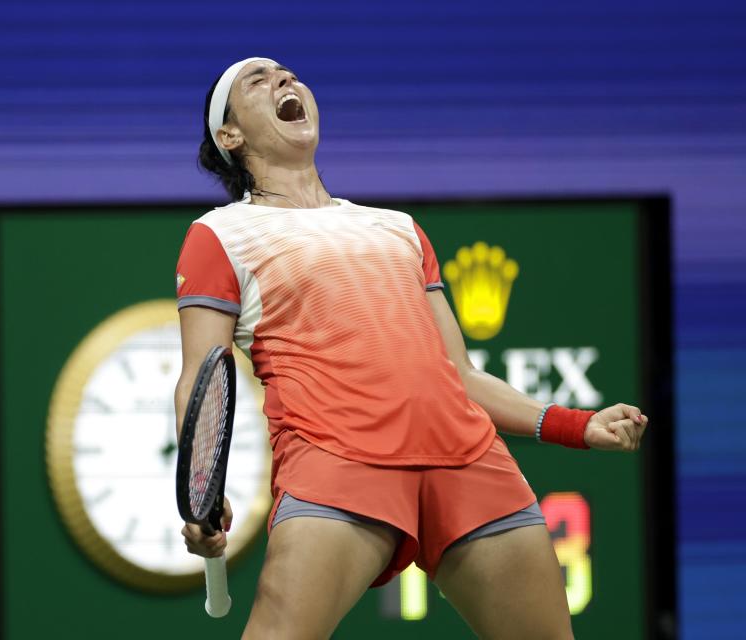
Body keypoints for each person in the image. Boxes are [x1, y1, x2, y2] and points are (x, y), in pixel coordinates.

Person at [174, 57, 649, 640]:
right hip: (337, 463)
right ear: (230, 135)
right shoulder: (218, 235)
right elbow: (201, 376)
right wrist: (202, 495)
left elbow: (463, 377)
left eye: (290, 76)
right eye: (259, 80)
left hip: (469, 461)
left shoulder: (397, 228)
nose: (285, 82)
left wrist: (579, 426)